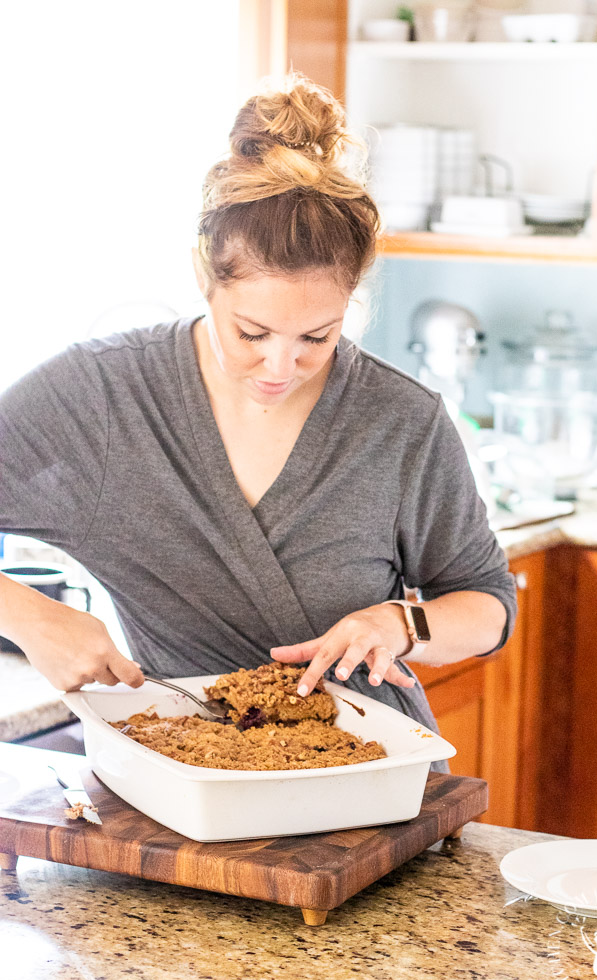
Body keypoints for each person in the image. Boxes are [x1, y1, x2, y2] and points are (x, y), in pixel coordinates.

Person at [0, 74, 516, 763]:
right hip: (187, 776)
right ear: (201, 276)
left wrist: (399, 622)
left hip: (369, 771)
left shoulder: (399, 421)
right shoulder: (102, 397)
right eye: (251, 332)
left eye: (316, 338)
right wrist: (28, 615)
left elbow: (486, 602)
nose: (280, 366)